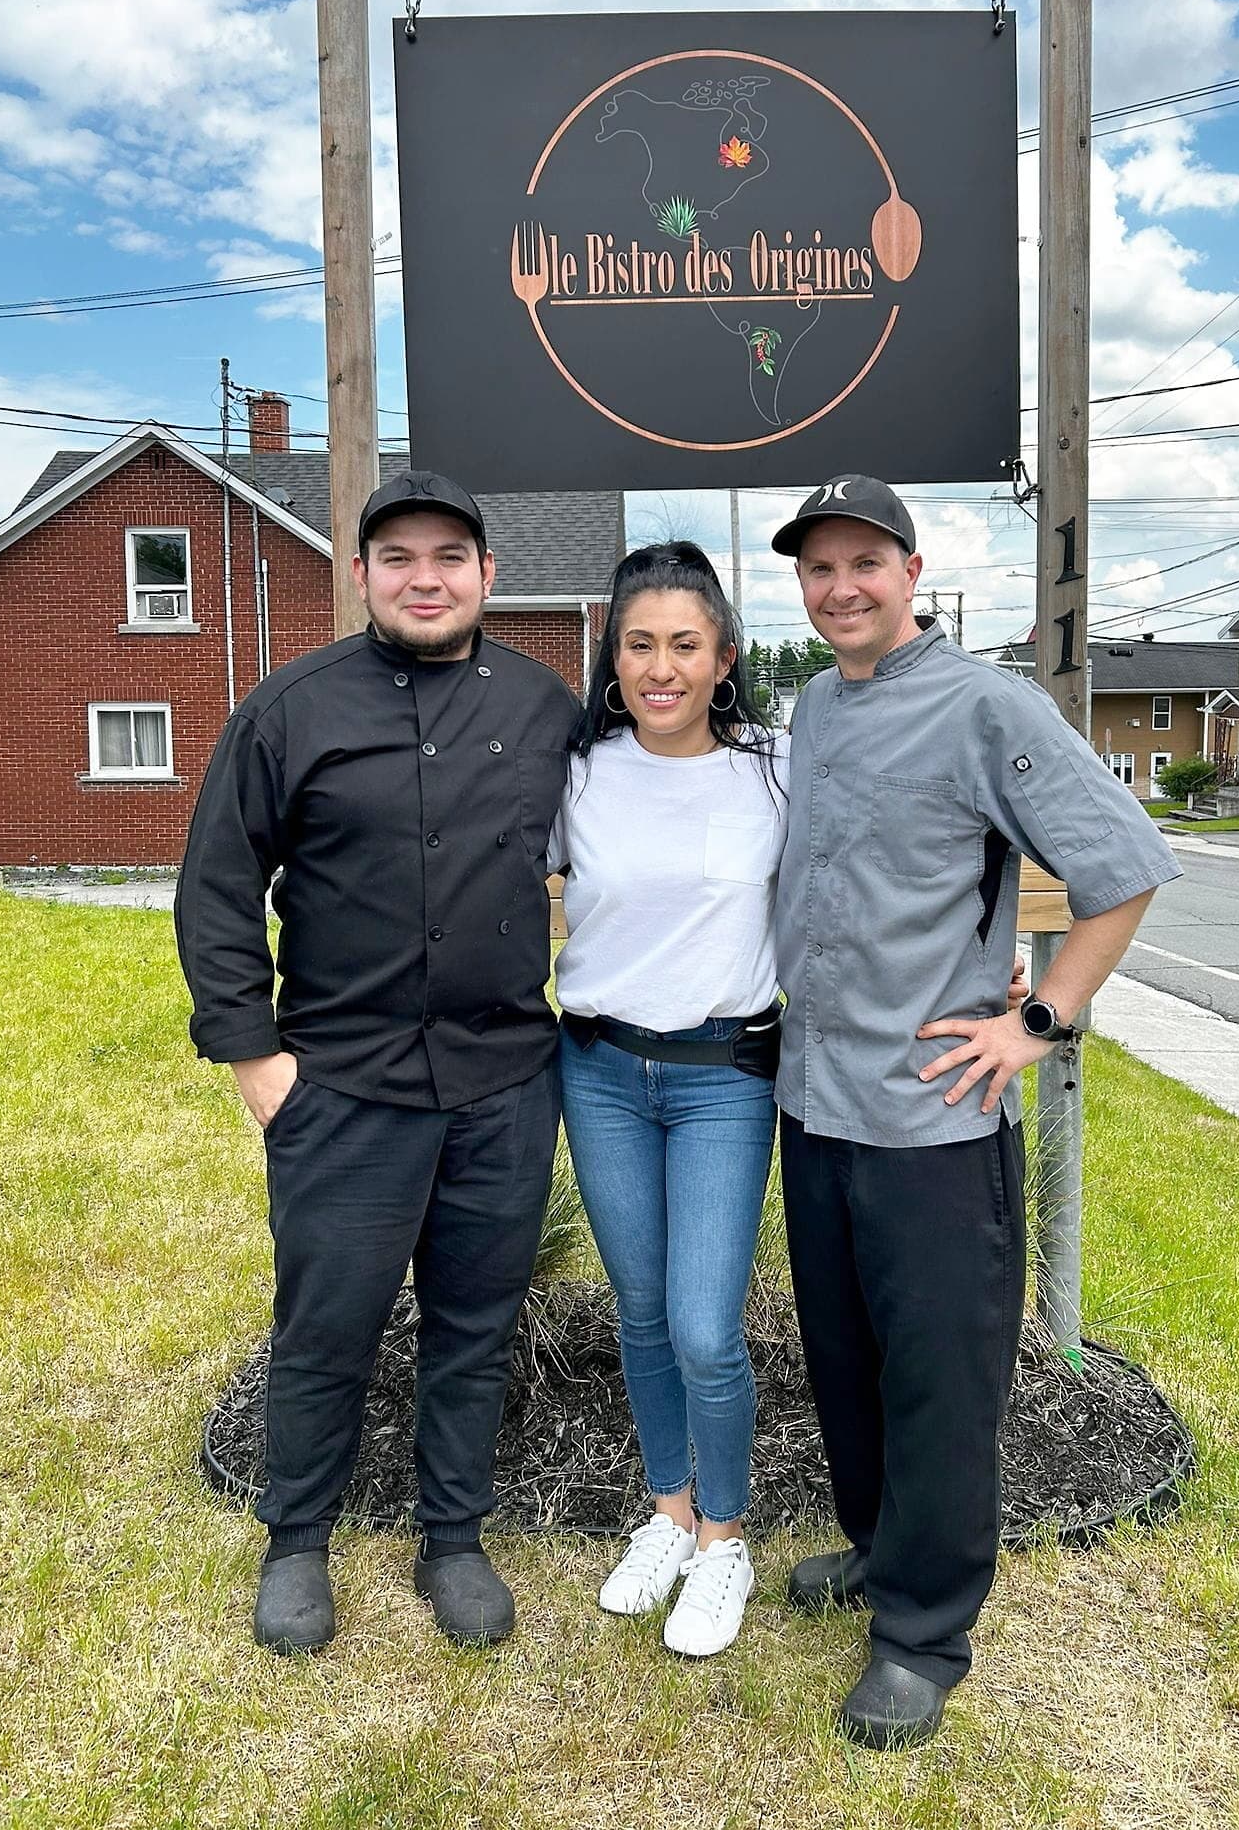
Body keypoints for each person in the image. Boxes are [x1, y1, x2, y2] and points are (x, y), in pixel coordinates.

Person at [769, 476, 1182, 1749]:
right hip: (815, 1103)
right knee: (844, 1362)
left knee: (941, 1380)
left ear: (912, 568)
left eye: (864, 561)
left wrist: (1038, 1015)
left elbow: (1123, 868)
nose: (841, 585)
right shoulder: (815, 710)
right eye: (818, 566)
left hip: (934, 1119)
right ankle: (878, 1548)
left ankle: (922, 1630)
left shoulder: (989, 705)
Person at [174, 471, 578, 1656]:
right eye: (397, 555)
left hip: (503, 1081)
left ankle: (453, 1536)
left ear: (488, 574)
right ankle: (296, 1537)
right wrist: (254, 1057)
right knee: (327, 1322)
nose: (425, 575)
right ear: (360, 575)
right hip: (341, 1085)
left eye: (450, 554)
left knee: (474, 1321)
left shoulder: (549, 708)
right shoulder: (287, 710)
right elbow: (215, 888)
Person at [549, 543, 787, 1657]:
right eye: (638, 643)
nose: (660, 665)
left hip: (721, 1079)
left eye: (684, 644)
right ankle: (668, 1510)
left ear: (724, 656)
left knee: (702, 1322)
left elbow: (888, 867)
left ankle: (725, 1537)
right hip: (596, 1069)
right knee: (640, 1309)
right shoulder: (579, 775)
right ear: (614, 655)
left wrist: (995, 977)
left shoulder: (776, 773)